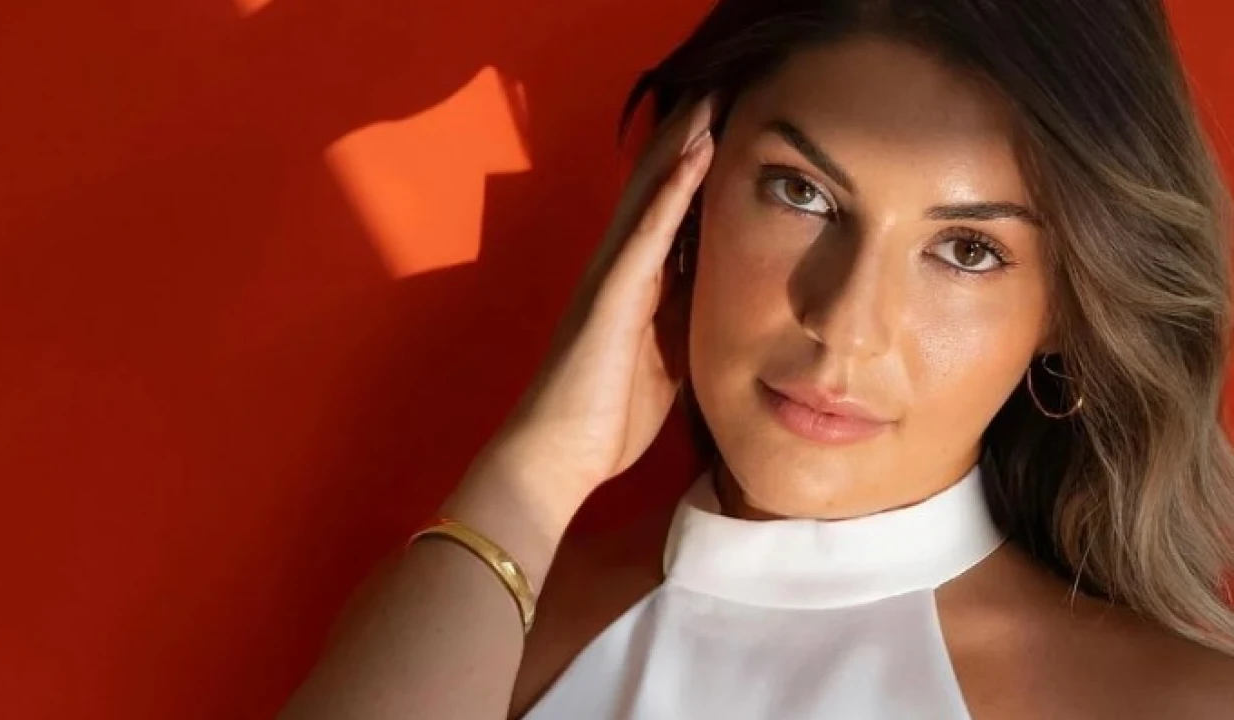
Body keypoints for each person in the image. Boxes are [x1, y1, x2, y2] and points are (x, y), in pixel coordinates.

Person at [280, 0, 1234, 717]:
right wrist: (536, 470)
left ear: (1066, 309)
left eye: (968, 250)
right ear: (684, 198)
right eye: (801, 192)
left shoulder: (1177, 704)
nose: (845, 325)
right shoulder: (476, 621)